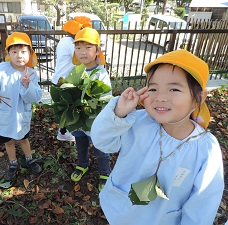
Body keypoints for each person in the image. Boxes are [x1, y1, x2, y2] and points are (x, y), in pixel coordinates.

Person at [91, 49, 224, 224]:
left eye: (174, 89)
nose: (160, 97)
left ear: (198, 98)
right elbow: (102, 141)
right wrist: (119, 113)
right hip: (120, 212)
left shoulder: (206, 149)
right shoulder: (137, 122)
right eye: (153, 88)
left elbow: (202, 205)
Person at [0, 32, 43, 181]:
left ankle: (29, 159)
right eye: (14, 52)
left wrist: (27, 86)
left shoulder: (32, 73)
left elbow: (34, 97)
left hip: (21, 114)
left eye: (23, 51)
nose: (19, 56)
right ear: (7, 53)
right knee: (8, 140)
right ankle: (13, 163)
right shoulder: (2, 69)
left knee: (23, 138)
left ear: (30, 53)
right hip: (5, 115)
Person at [70, 27, 112, 191]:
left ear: (97, 51)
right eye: (78, 47)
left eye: (88, 47)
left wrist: (89, 103)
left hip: (96, 121)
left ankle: (104, 172)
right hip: (79, 120)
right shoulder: (75, 70)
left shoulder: (100, 73)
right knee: (80, 143)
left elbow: (105, 97)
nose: (82, 52)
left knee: (100, 146)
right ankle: (82, 164)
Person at [52, 17, 92, 142]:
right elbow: (81, 59)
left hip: (60, 79)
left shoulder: (64, 40)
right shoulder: (71, 43)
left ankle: (63, 131)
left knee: (65, 108)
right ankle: (63, 133)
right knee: (68, 109)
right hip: (64, 82)